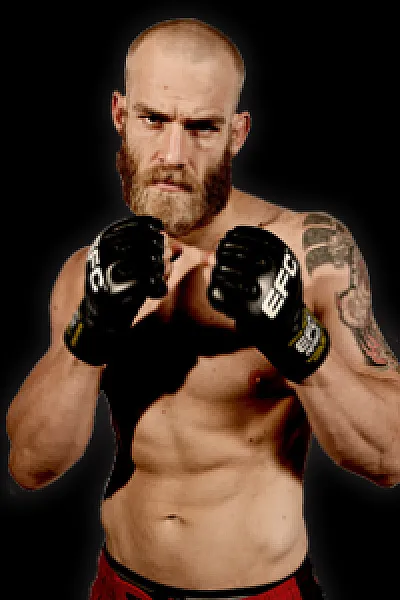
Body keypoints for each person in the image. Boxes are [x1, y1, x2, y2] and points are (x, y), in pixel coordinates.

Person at [6, 17, 400, 600]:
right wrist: (91, 332)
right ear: (119, 115)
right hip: (120, 584)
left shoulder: (311, 252)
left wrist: (297, 339)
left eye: (202, 127)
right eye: (154, 119)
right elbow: (32, 464)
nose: (173, 153)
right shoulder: (90, 268)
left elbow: (390, 455)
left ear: (237, 133)